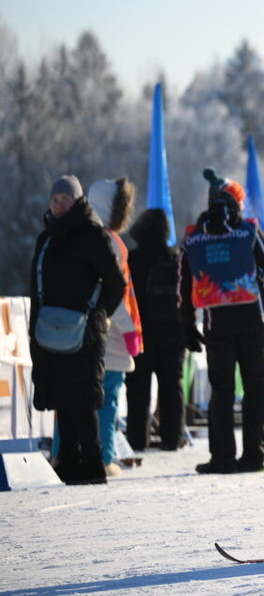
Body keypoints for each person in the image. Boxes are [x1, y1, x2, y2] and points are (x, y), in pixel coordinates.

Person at [181, 167, 264, 474]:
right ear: (237, 203)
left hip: (216, 323)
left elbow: (183, 282)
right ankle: (253, 457)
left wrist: (186, 322)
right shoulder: (248, 231)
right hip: (253, 320)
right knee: (255, 389)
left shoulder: (194, 236)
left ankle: (221, 458)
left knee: (220, 390)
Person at [30, 175, 127, 485]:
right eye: (54, 200)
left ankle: (93, 463)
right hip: (50, 329)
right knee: (60, 397)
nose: (59, 205)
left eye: (65, 200)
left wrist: (99, 316)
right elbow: (36, 285)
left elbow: (116, 283)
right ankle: (67, 460)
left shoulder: (93, 236)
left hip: (86, 331)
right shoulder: (46, 239)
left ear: (78, 201)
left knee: (83, 399)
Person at [128, 207, 200, 452]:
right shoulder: (177, 257)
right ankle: (172, 437)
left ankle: (138, 439)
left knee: (139, 388)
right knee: (173, 386)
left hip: (143, 334)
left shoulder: (133, 259)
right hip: (174, 333)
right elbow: (189, 295)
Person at [86, 178, 144, 477]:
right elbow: (116, 292)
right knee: (108, 398)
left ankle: (64, 453)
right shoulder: (107, 241)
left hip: (88, 330)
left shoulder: (82, 233)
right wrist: (130, 329)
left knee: (79, 399)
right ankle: (105, 457)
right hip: (110, 333)